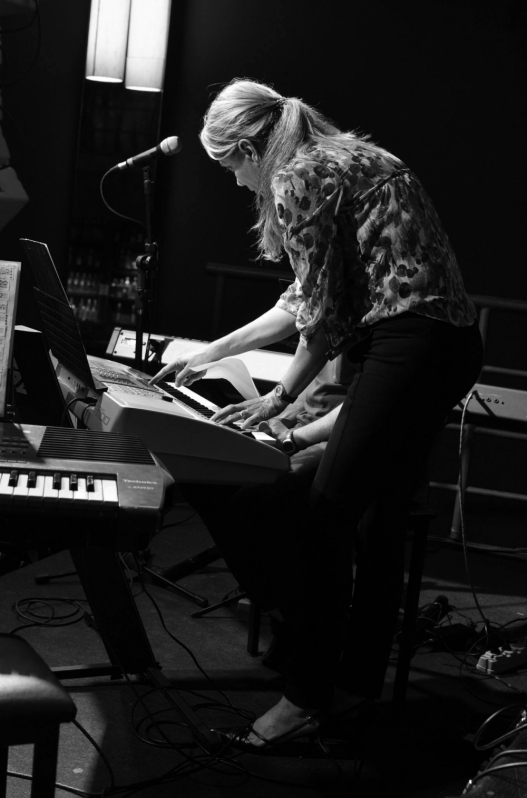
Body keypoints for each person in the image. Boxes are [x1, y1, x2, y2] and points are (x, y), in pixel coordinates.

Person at [150, 79, 482, 751]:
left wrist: (278, 399)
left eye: (231, 170)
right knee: (376, 521)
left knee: (325, 515)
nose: (239, 186)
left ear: (248, 149)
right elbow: (305, 299)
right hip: (444, 342)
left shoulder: (295, 177)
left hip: (410, 341)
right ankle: (351, 683)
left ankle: (304, 694)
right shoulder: (340, 157)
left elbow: (322, 320)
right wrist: (211, 351)